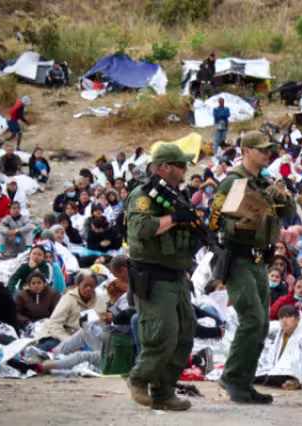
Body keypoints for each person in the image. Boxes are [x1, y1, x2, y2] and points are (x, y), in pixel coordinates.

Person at [209, 131, 297, 404]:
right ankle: (232, 379)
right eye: (261, 149)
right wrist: (237, 224)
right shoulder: (233, 183)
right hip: (237, 258)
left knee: (261, 324)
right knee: (252, 320)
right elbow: (213, 222)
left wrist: (283, 197)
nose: (267, 154)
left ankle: (244, 382)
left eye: (269, 149)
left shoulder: (264, 183)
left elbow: (288, 212)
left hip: (260, 260)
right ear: (246, 151)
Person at [124, 144, 198, 411]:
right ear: (165, 167)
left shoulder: (177, 194)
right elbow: (142, 228)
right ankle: (139, 378)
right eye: (180, 165)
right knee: (162, 332)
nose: (185, 169)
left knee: (185, 333)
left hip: (177, 276)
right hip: (153, 276)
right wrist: (175, 217)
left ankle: (163, 392)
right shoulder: (143, 195)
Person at [37, 270, 106, 351]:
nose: (88, 289)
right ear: (78, 284)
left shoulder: (100, 300)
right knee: (51, 347)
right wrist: (71, 342)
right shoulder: (68, 299)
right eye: (85, 286)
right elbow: (54, 324)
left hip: (86, 339)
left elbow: (100, 325)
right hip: (63, 335)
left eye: (91, 286)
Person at [255, 305, 302, 390]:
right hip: (276, 368)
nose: (284, 320)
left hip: (292, 369)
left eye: (288, 317)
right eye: (281, 318)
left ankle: (293, 381)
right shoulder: (280, 334)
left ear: (297, 319)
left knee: (274, 377)